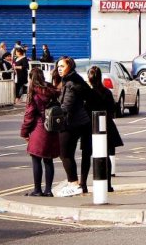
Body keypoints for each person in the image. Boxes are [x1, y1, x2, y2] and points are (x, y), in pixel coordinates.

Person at [20, 67, 60, 197]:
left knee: (36, 159)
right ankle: (48, 190)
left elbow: (29, 115)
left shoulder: (34, 93)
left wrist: (24, 132)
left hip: (39, 128)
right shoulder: (51, 90)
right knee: (48, 160)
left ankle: (37, 190)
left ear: (31, 78)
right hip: (52, 128)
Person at [56, 56, 92, 197]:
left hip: (71, 123)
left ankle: (74, 183)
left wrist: (54, 109)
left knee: (64, 154)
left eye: (62, 66)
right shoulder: (74, 80)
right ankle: (77, 183)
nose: (59, 69)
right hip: (80, 122)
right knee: (69, 154)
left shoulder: (71, 83)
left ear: (69, 67)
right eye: (58, 66)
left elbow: (67, 106)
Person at [85, 65, 124, 192]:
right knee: (105, 155)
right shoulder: (107, 92)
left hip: (91, 127)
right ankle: (108, 185)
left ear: (89, 78)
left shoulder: (89, 93)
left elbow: (85, 110)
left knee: (89, 155)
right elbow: (113, 110)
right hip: (107, 126)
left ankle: (84, 185)